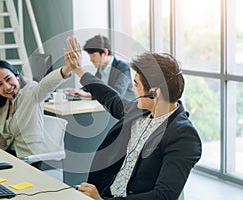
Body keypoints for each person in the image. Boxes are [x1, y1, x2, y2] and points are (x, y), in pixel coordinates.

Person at [64, 36, 202, 200]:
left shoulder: (183, 136)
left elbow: (164, 195)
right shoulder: (138, 112)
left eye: (136, 84)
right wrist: (79, 70)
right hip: (104, 193)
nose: (132, 87)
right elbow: (110, 97)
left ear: (154, 93)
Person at [0, 60, 73, 169]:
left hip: (30, 160)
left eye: (8, 79)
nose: (7, 87)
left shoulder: (31, 92)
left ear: (16, 75)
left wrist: (66, 69)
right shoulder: (2, 103)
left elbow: (47, 84)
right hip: (10, 158)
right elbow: (4, 139)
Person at [65, 34, 135, 100]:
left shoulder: (123, 68)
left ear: (105, 52)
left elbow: (117, 93)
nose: (91, 60)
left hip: (126, 110)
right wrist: (78, 91)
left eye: (94, 56)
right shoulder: (101, 69)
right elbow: (93, 86)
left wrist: (89, 95)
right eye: (90, 56)